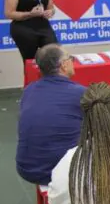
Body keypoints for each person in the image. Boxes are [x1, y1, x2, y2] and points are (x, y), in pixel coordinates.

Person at [16, 44, 85, 185]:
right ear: (64, 65)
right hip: (60, 171)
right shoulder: (80, 93)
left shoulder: (29, 91)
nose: (73, 61)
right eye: (71, 58)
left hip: (26, 168)